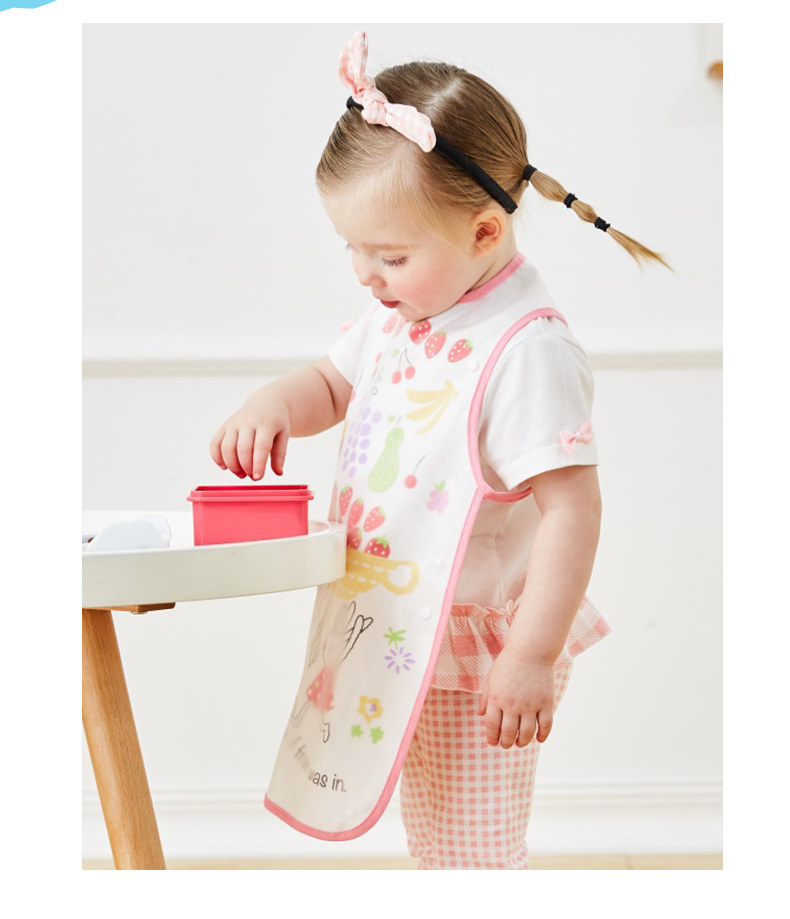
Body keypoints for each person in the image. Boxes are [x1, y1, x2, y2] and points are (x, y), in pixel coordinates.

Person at [209, 31, 669, 869]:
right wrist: (272, 403)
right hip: (391, 621)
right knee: (433, 834)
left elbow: (572, 509)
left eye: (388, 255)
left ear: (485, 231)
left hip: (478, 640)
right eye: (351, 247)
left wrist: (531, 653)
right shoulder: (404, 311)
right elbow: (333, 383)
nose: (364, 273)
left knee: (472, 848)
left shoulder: (526, 349)